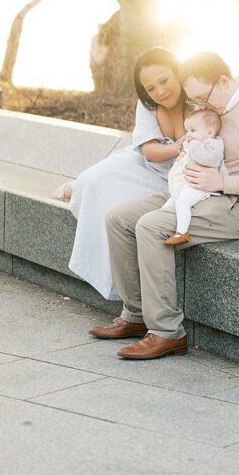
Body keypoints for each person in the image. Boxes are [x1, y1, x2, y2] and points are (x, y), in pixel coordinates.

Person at [91, 51, 239, 359]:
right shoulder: (216, 106)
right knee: (118, 218)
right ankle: (135, 315)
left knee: (151, 225)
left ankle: (166, 332)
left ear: (224, 81)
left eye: (203, 98)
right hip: (190, 192)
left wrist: (222, 183)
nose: (201, 106)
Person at [57, 47, 186, 301]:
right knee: (92, 180)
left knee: (112, 204)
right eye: (150, 88)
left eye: (164, 81)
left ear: (177, 72)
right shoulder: (148, 105)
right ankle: (74, 188)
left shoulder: (195, 99)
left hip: (174, 177)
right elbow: (149, 150)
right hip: (146, 162)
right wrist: (178, 147)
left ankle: (76, 188)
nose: (159, 91)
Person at [161, 106, 227, 247]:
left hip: (200, 187)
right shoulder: (196, 143)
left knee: (182, 202)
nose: (188, 135)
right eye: (187, 131)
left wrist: (193, 144)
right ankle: (162, 228)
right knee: (165, 209)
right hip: (186, 185)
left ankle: (182, 232)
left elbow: (206, 159)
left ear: (209, 132)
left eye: (193, 131)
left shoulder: (214, 144)